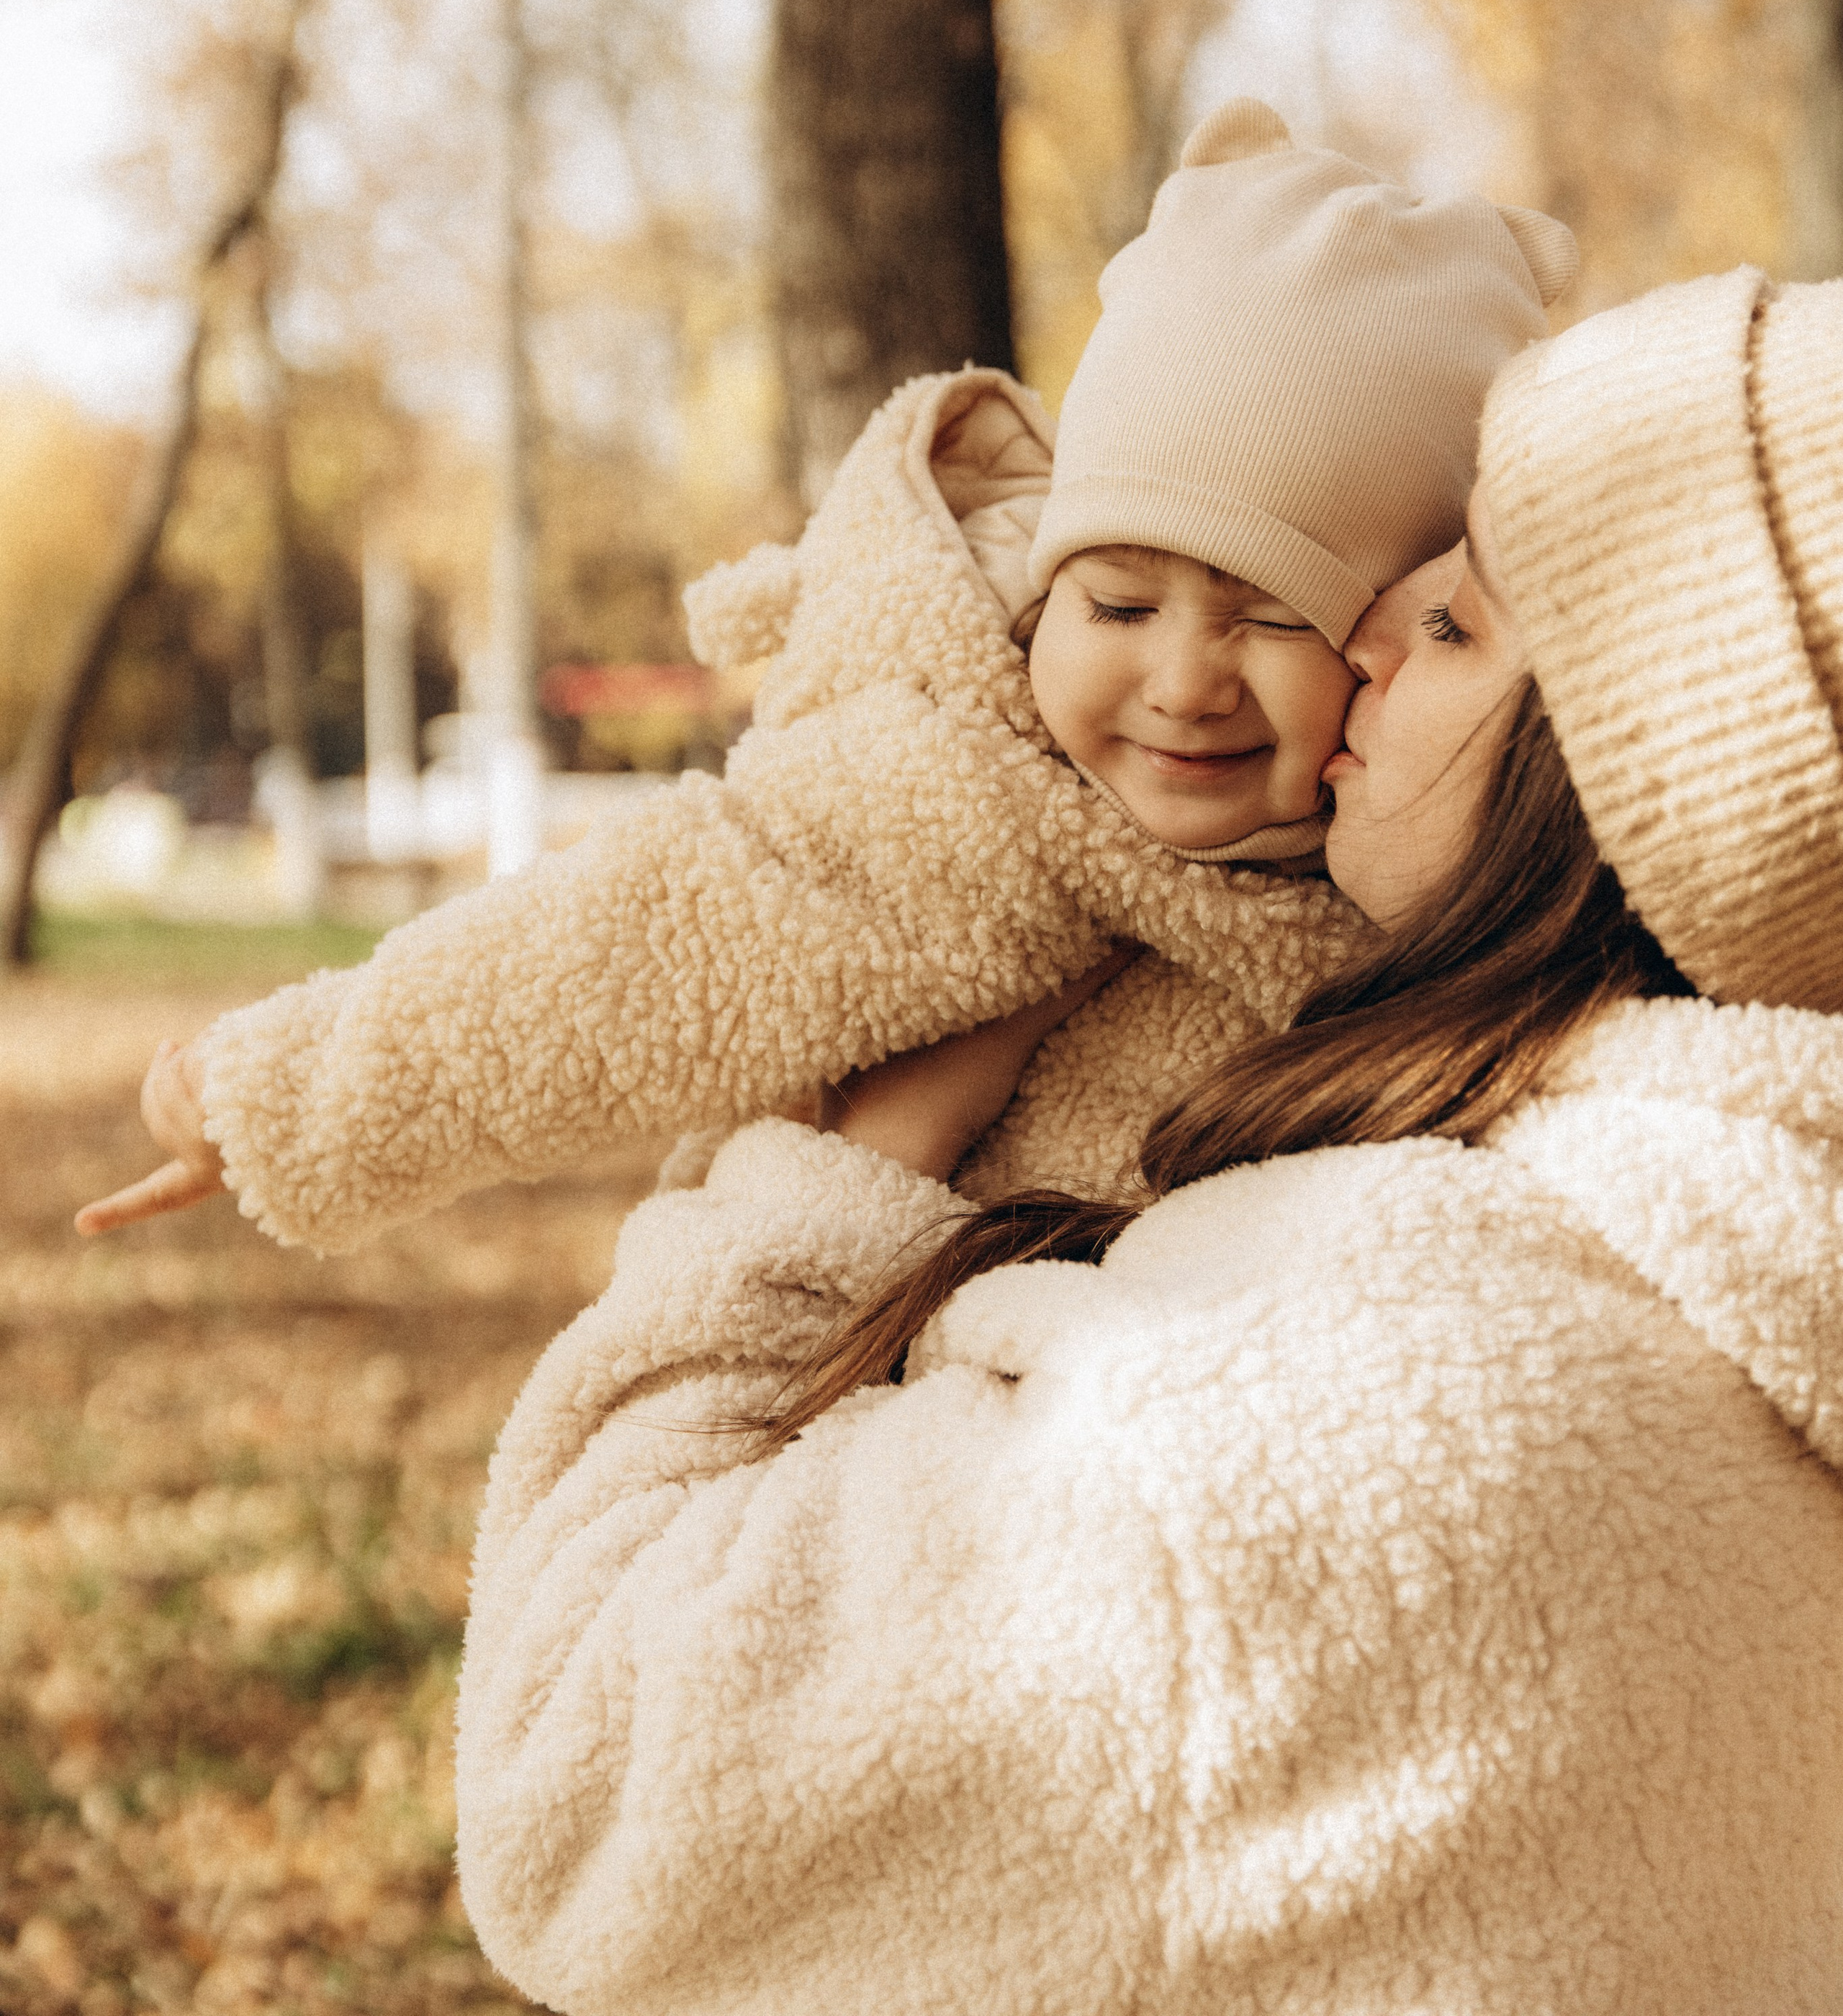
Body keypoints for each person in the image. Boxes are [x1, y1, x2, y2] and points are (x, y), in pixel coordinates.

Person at [454, 263, 1843, 2016]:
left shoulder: (1332, 1398)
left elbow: (579, 1789)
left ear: (1623, 802)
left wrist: (823, 1190)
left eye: (1455, 624)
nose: (1351, 632)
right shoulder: (1762, 1247)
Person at [76, 99, 1573, 1250]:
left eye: (1272, 621)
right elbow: (617, 955)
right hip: (831, 1357)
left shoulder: (1419, 865)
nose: (1184, 678)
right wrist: (283, 1090)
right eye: (1118, 599)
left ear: (1390, 628)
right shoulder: (963, 794)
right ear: (1049, 577)